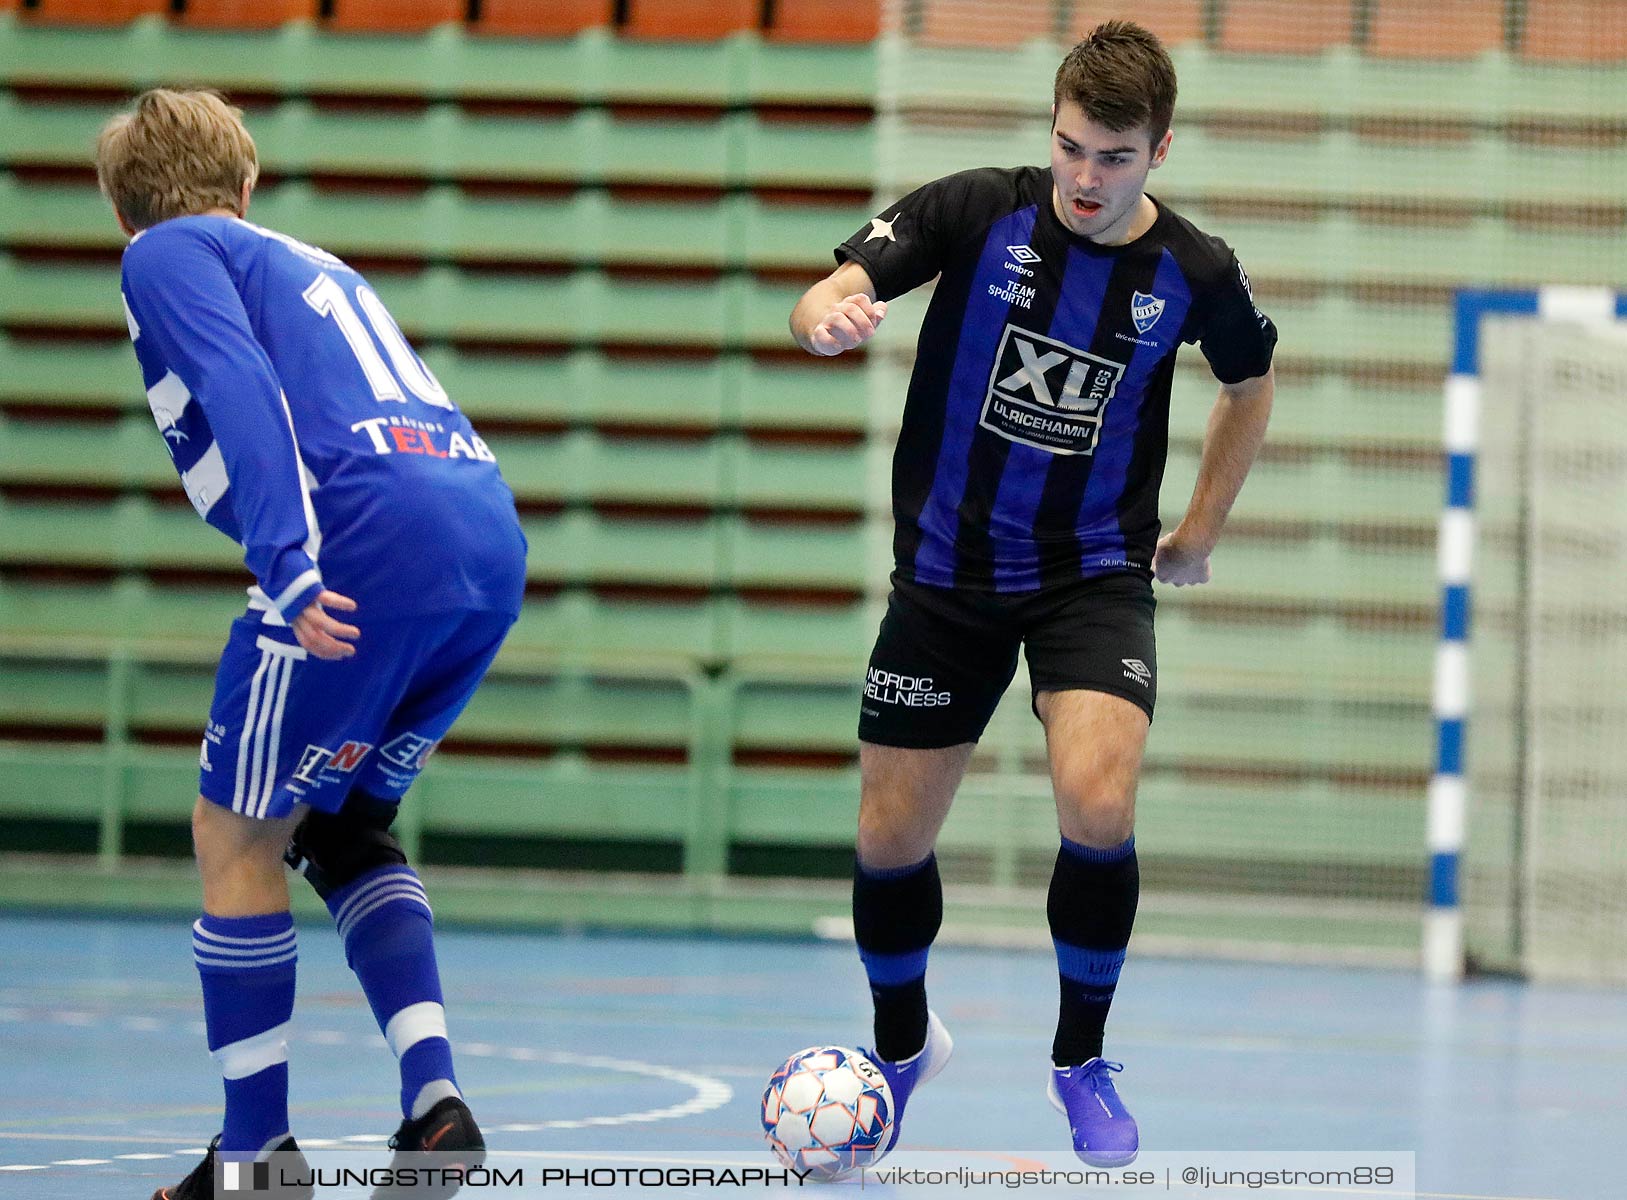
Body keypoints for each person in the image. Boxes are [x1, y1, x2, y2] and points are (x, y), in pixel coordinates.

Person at [789, 21, 1276, 1167]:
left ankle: (1079, 1061)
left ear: (1158, 150)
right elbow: (832, 287)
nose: (1084, 179)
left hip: (1091, 581)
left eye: (1112, 157)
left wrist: (1199, 528)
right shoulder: (976, 210)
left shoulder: (1194, 272)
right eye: (1068, 149)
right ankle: (903, 1049)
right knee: (887, 843)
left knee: (1097, 805)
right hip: (947, 579)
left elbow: (1248, 383)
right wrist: (828, 319)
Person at [96, 88, 529, 1200]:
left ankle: (257, 1155)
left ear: (121, 210)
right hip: (482, 538)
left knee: (232, 831)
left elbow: (242, 389)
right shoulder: (313, 261)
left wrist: (289, 564)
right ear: (248, 185)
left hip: (358, 542)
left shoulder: (165, 253)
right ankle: (436, 1108)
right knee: (340, 831)